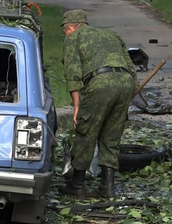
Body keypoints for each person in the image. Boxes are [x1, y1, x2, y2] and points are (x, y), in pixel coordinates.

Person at [58, 9, 138, 199]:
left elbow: (73, 74)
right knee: (111, 135)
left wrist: (77, 107)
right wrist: (128, 92)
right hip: (126, 82)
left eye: (65, 31)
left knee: (86, 131)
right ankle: (107, 188)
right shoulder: (112, 35)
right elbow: (131, 68)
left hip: (100, 82)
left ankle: (77, 186)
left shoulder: (73, 38)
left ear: (70, 27)